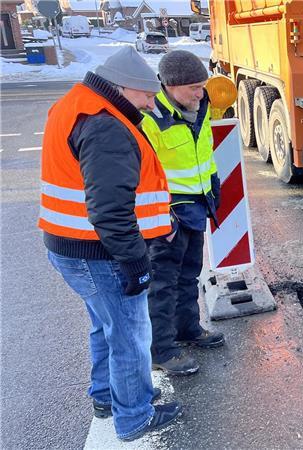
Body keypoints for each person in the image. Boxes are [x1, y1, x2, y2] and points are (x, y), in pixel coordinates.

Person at [40, 47, 182, 441]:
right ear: (122, 88)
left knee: (105, 325)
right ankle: (134, 416)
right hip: (99, 252)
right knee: (130, 334)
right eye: (147, 95)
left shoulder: (79, 105)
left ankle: (105, 395)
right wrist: (136, 264)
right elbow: (111, 210)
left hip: (72, 246)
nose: (152, 104)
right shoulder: (106, 126)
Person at [141, 50, 224, 376]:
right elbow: (143, 177)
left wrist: (212, 189)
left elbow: (203, 156)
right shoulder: (150, 121)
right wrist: (161, 215)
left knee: (190, 274)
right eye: (193, 87)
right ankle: (161, 349)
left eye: (202, 86)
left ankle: (187, 328)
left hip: (196, 206)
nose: (200, 94)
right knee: (163, 282)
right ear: (171, 86)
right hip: (168, 213)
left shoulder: (199, 109)